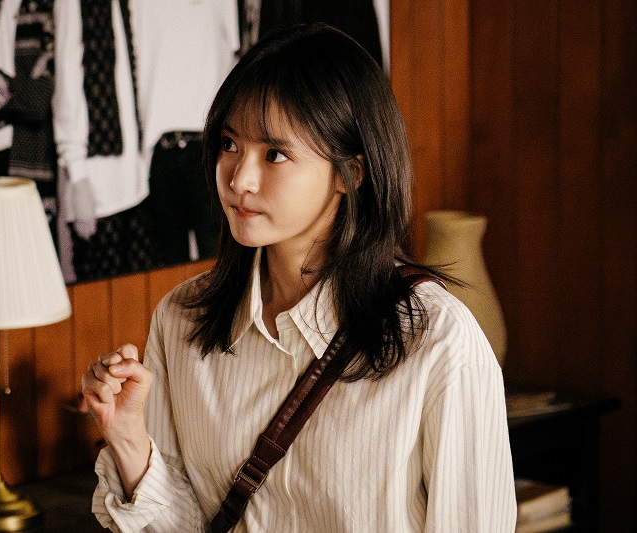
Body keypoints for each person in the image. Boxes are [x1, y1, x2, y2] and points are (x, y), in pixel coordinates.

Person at [81, 23, 516, 532]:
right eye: (229, 143)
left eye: (275, 154)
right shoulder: (183, 320)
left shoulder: (439, 341)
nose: (239, 178)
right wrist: (127, 435)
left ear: (351, 173)